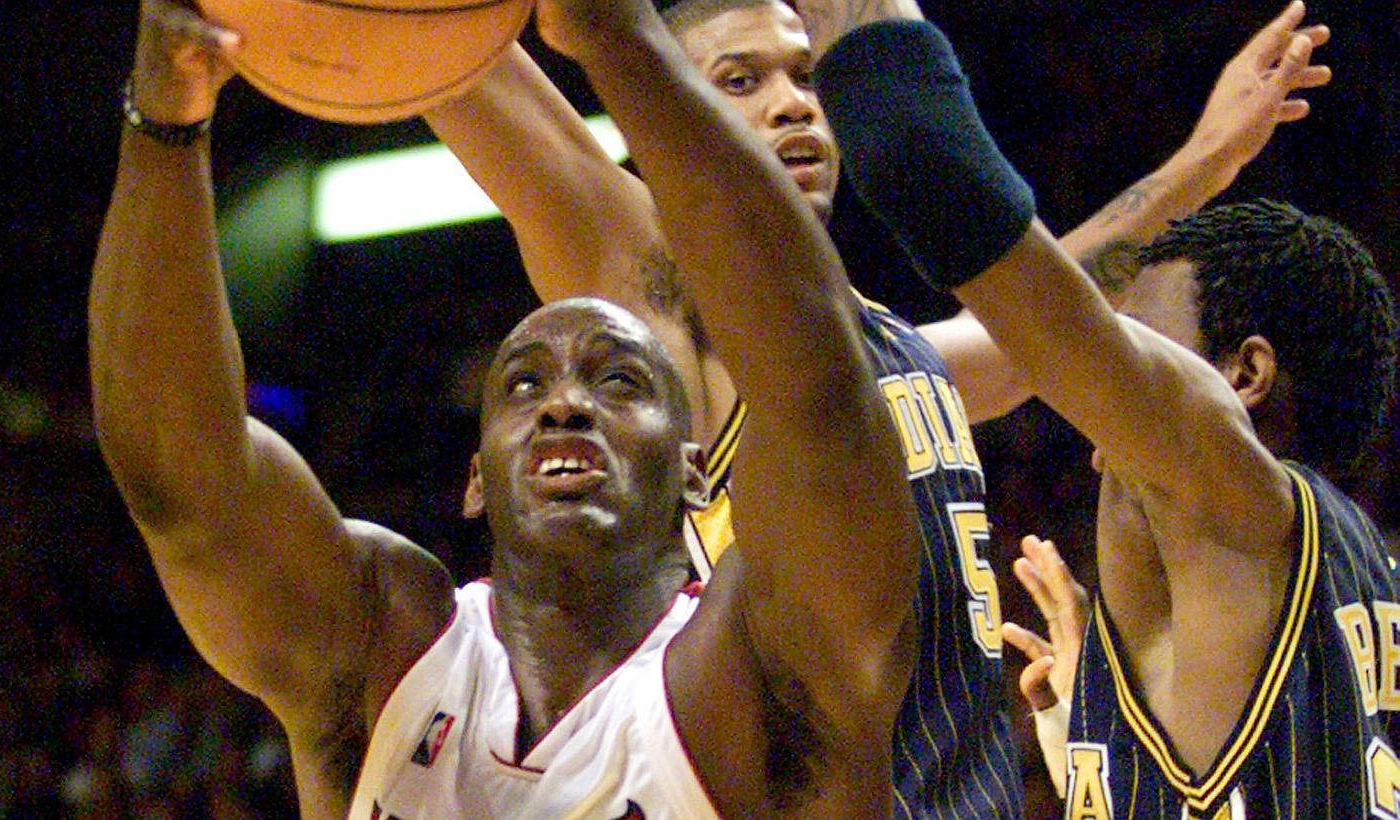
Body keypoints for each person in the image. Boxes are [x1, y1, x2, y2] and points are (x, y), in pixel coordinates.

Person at [419, 2, 1330, 814]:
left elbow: (1038, 327)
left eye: (806, 75)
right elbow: (475, 79)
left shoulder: (885, 345)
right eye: (739, 81)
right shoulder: (669, 302)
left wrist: (1209, 160)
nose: (792, 103)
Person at [91, 0, 928, 817]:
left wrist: (624, 44)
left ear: (694, 471)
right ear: (476, 480)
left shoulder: (754, 672)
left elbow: (819, 399)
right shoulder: (389, 647)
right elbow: (182, 487)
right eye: (524, 384)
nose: (565, 403)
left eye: (621, 383)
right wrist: (166, 124)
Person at [805, 0, 1400, 814]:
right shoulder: (1347, 583)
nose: (1081, 400)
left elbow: (927, 163)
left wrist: (863, 29)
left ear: (1243, 378)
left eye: (1133, 346)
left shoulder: (1233, 492)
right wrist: (1104, 760)